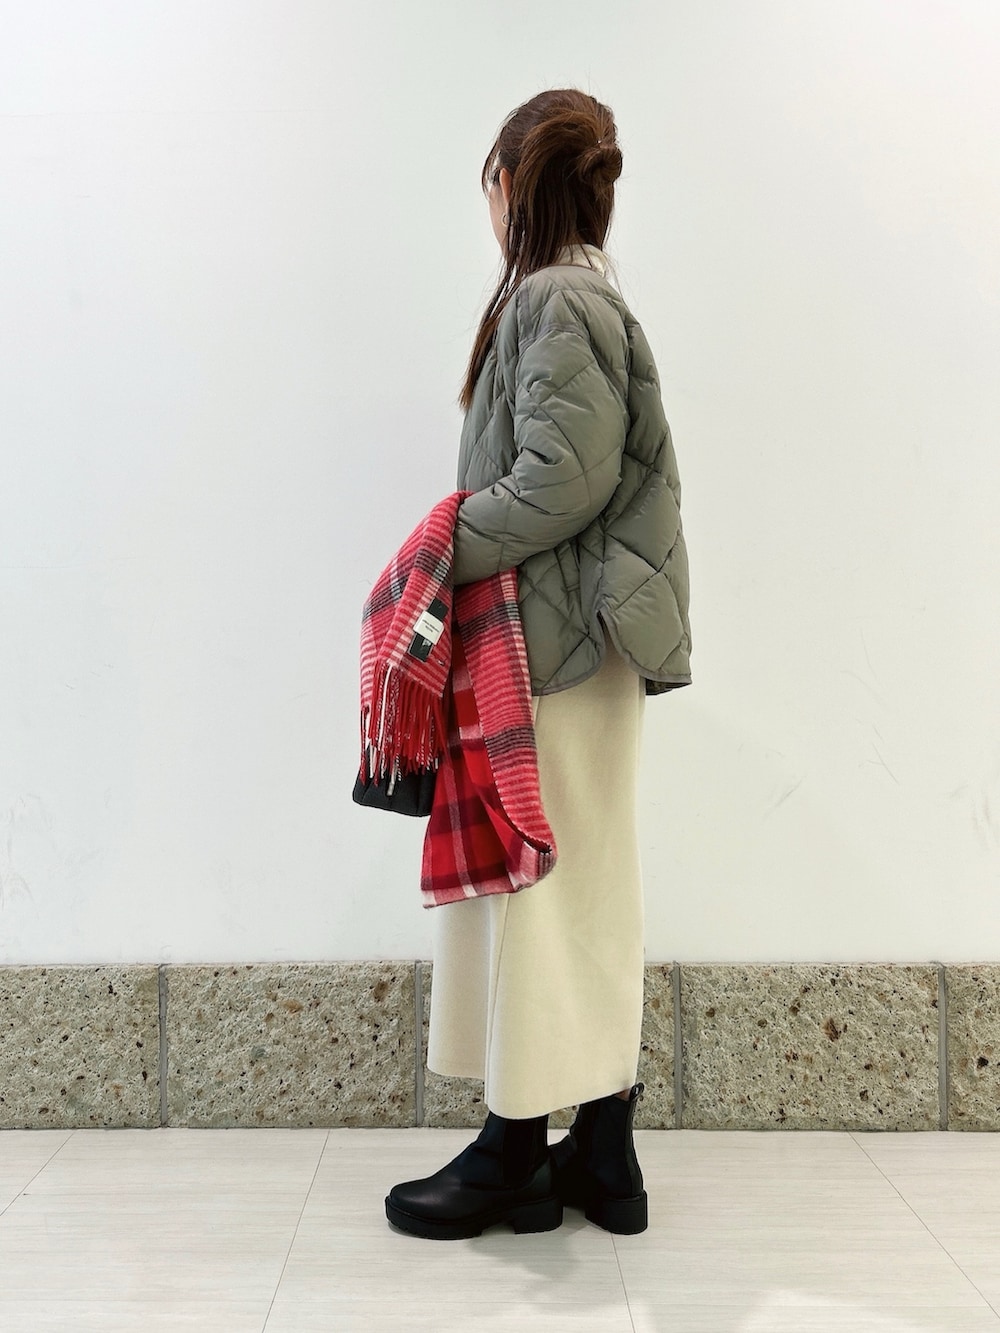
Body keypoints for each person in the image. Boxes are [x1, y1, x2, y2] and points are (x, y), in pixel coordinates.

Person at [385, 88, 692, 1240]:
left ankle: (515, 1151)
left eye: (491, 180)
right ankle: (601, 1155)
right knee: (576, 889)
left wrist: (435, 547)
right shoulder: (580, 292)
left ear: (513, 181)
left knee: (539, 888)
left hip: (558, 644)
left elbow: (562, 479)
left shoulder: (555, 297)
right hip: (581, 639)